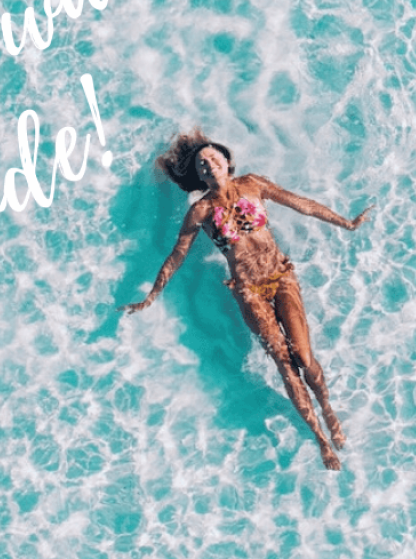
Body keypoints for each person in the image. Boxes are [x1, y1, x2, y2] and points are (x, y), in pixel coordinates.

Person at [120, 129, 372, 470]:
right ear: (199, 176)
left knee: (303, 355)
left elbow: (301, 204)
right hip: (249, 291)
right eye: (202, 164)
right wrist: (151, 296)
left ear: (227, 161)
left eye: (214, 158)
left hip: (281, 277)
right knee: (284, 363)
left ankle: (327, 409)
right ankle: (321, 440)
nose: (209, 165)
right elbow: (177, 255)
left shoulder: (254, 184)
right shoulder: (200, 211)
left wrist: (346, 223)